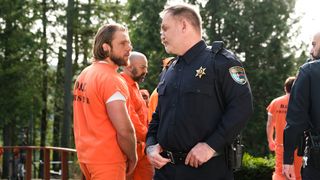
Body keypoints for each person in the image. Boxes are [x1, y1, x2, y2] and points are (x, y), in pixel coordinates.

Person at [145, 3, 253, 180]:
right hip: (165, 172)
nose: (161, 35)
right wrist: (150, 145)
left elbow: (242, 107)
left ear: (184, 25)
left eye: (165, 28)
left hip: (206, 171)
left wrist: (211, 146)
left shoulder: (221, 62)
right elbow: (158, 115)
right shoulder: (169, 69)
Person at [73, 23, 137, 180]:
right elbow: (125, 130)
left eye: (129, 42)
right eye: (122, 43)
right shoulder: (112, 79)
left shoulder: (85, 74)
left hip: (86, 158)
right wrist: (133, 156)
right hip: (108, 160)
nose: (129, 48)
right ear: (105, 48)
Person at [283, 33, 320, 180]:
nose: (311, 50)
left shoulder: (309, 71)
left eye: (314, 44)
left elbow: (295, 120)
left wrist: (288, 159)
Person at [120, 52, 154, 180]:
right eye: (142, 67)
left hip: (142, 148)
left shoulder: (134, 85)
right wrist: (152, 138)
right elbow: (132, 120)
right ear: (129, 66)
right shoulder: (122, 85)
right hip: (130, 150)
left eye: (146, 67)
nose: (146, 71)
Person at [266, 77, 302, 180]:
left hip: (281, 145)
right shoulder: (301, 103)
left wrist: (270, 140)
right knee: (297, 174)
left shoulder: (275, 102)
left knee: (280, 173)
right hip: (298, 145)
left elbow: (269, 124)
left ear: (285, 88)